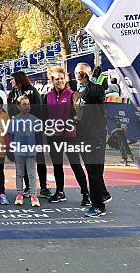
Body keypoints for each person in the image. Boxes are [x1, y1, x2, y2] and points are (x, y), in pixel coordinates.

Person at [44, 66, 90, 205]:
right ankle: (59, 192)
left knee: (75, 164)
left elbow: (77, 116)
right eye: (57, 79)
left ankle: (85, 194)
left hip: (70, 137)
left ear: (66, 79)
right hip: (53, 137)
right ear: (52, 80)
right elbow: (44, 117)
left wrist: (64, 128)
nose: (60, 81)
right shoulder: (47, 96)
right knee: (57, 165)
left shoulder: (72, 95)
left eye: (62, 78)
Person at [73, 63, 111, 217]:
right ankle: (102, 193)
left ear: (89, 74)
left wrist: (91, 80)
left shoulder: (95, 89)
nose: (79, 75)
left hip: (96, 137)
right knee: (91, 169)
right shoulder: (76, 93)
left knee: (94, 171)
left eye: (82, 73)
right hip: (83, 137)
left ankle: (98, 206)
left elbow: (98, 92)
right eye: (77, 72)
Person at [7, 71, 51, 199]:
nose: (11, 82)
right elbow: (11, 111)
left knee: (39, 158)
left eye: (12, 79)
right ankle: (27, 187)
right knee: (23, 158)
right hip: (20, 133)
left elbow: (39, 110)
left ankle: (43, 187)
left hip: (33, 131)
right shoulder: (12, 94)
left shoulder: (32, 91)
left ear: (19, 80)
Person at [10, 96, 41, 207]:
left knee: (31, 173)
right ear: (18, 106)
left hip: (31, 151)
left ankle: (33, 195)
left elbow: (38, 136)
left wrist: (39, 148)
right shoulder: (14, 120)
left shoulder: (35, 119)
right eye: (23, 104)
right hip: (18, 151)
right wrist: (11, 149)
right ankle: (19, 193)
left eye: (28, 104)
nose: (27, 106)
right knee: (19, 173)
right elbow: (12, 136)